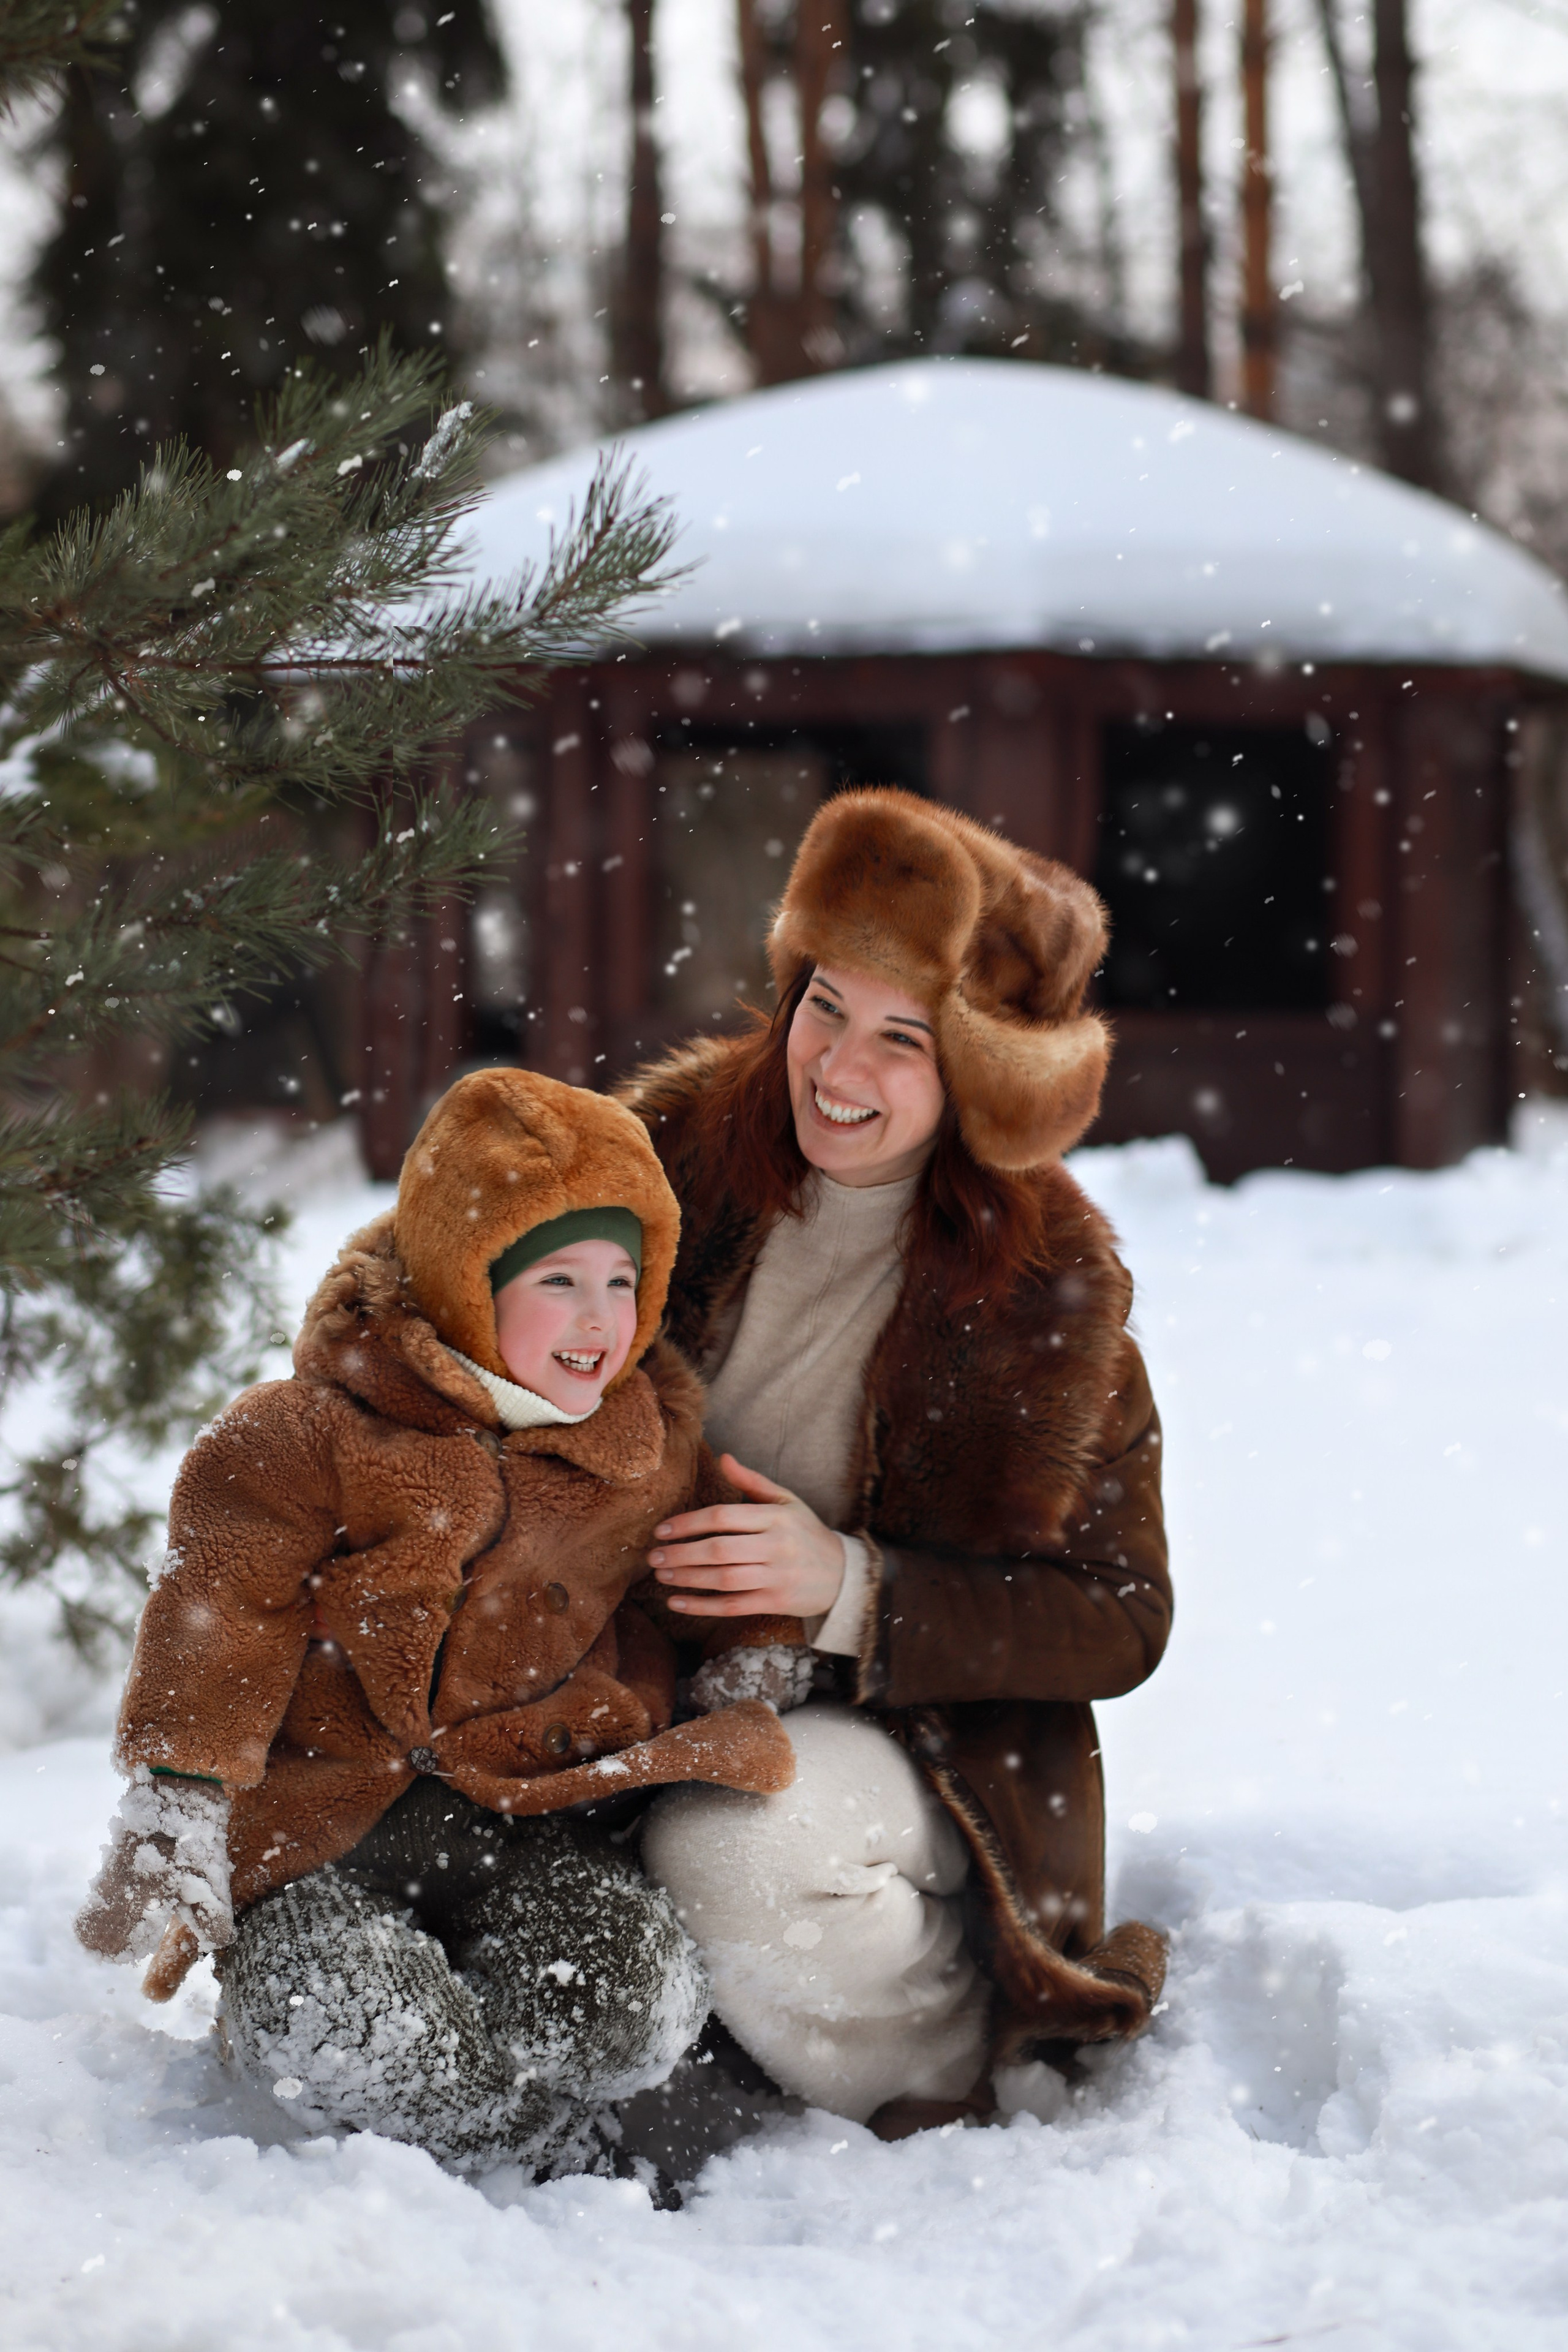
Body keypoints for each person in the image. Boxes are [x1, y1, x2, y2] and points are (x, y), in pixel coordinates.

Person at [75, 1068, 807, 2174]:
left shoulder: (641, 1443)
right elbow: (224, 1597)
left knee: (622, 1995)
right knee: (366, 2028)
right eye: (558, 1281)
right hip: (326, 1836)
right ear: (470, 1279)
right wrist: (183, 1780)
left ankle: (542, 2081)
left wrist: (750, 1658)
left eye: (623, 1280)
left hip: (532, 1820)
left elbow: (700, 1574)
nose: (600, 1321)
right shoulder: (316, 1432)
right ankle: (490, 2133)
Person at [625, 788, 1173, 2138]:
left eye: (900, 1039)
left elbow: (1120, 1617)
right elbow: (446, 1303)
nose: (836, 1070)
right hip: (619, 1677)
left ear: (980, 1075)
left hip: (911, 1748)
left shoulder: (1048, 1291)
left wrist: (852, 1589)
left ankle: (929, 2061)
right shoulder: (661, 1160)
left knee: (733, 1845)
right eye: (824, 1006)